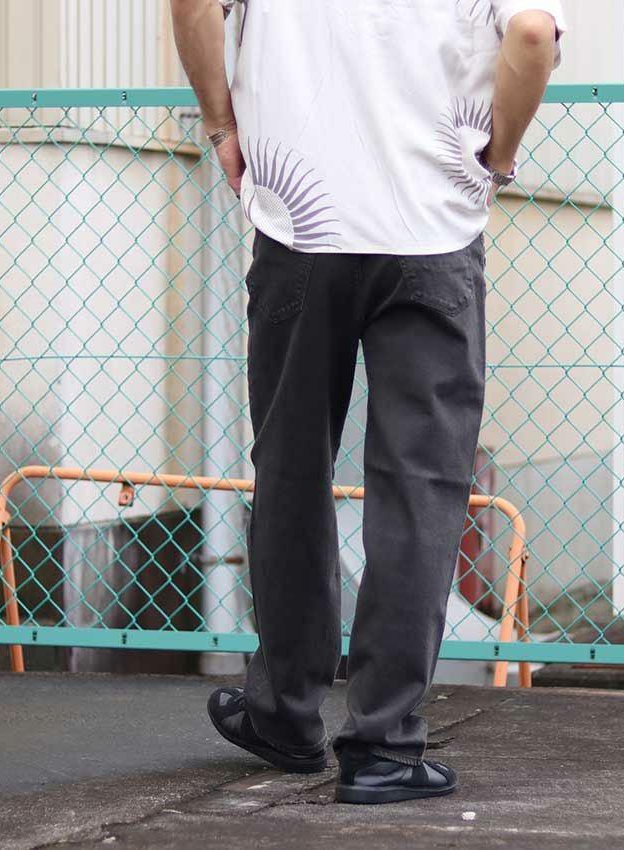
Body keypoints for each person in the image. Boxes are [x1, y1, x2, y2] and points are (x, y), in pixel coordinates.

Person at [170, 0, 564, 805]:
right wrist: (498, 157)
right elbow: (530, 34)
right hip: (432, 228)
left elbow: (192, 5)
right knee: (420, 487)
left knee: (292, 470)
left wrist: (222, 125)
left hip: (300, 224)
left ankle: (284, 714)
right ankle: (384, 745)